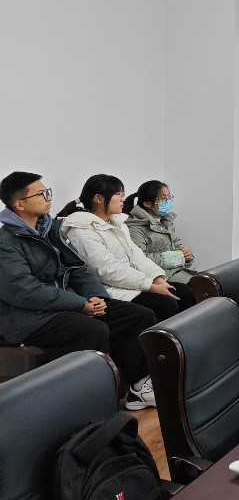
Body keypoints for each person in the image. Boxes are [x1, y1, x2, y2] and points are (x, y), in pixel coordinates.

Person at [0, 171, 157, 409]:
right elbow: (25, 291)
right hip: (27, 317)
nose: (48, 197)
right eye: (40, 194)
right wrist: (80, 304)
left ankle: (138, 387)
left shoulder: (50, 229)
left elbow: (79, 269)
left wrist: (95, 297)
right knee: (92, 330)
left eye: (47, 191)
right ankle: (88, 403)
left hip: (66, 303)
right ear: (19, 204)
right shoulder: (6, 242)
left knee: (137, 315)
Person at [59, 174, 193, 320]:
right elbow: (107, 270)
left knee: (184, 292)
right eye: (118, 194)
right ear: (98, 198)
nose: (123, 198)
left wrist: (157, 278)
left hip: (133, 282)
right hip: (111, 289)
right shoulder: (81, 230)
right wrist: (150, 285)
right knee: (166, 304)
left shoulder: (118, 223)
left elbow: (136, 255)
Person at [125, 180, 195, 286]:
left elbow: (177, 245)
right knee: (203, 288)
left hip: (179, 270)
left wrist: (187, 255)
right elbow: (139, 260)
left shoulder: (166, 220)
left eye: (169, 197)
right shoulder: (134, 228)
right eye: (163, 199)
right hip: (161, 276)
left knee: (214, 280)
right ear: (147, 204)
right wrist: (173, 258)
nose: (168, 201)